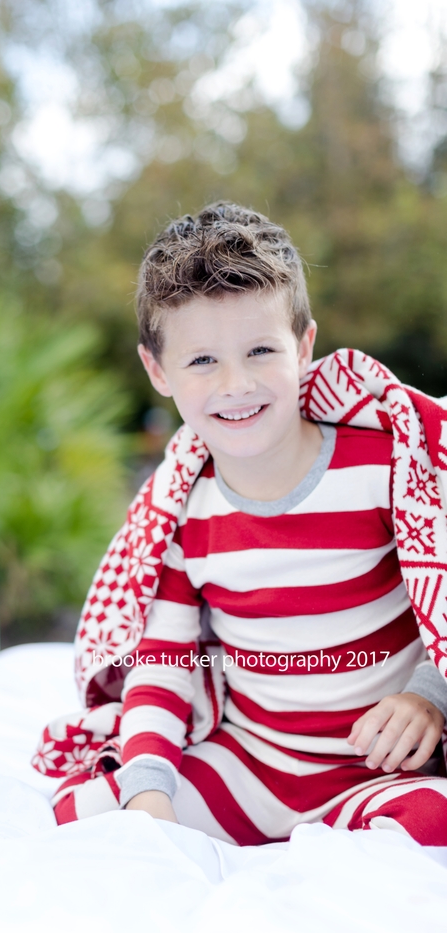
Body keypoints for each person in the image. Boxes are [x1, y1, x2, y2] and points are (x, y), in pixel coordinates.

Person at [37, 201, 447, 845]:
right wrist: (149, 793)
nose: (237, 384)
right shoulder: (182, 510)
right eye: (202, 361)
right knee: (80, 818)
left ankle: (350, 830)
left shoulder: (383, 468)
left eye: (261, 350)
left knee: (433, 820)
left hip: (381, 764)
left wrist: (429, 696)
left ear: (304, 346)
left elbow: (441, 596)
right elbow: (165, 661)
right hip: (254, 761)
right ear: (157, 370)